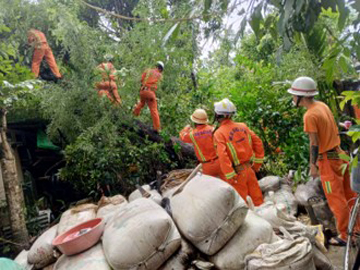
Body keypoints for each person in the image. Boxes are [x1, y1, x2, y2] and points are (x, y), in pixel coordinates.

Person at [287, 76, 357, 246]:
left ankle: (346, 236)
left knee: (336, 199)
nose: (293, 98)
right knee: (350, 194)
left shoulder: (310, 115)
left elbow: (314, 142)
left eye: (294, 95)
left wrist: (313, 165)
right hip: (340, 155)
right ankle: (357, 229)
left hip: (327, 160)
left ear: (301, 96)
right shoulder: (322, 106)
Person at [213, 98, 264, 206]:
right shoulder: (243, 126)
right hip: (250, 170)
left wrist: (230, 176)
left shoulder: (219, 133)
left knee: (243, 207)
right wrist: (257, 164)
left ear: (217, 115)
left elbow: (223, 156)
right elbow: (258, 143)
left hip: (237, 175)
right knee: (258, 202)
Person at [179, 109, 224, 179]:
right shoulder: (213, 129)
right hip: (220, 162)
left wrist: (186, 128)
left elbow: (182, 137)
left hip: (207, 166)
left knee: (208, 187)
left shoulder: (192, 134)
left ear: (194, 122)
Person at [133, 61, 164, 132]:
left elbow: (141, 80)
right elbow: (156, 85)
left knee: (141, 103)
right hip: (150, 93)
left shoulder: (148, 71)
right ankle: (157, 128)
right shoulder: (159, 75)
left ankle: (134, 116)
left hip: (143, 91)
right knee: (154, 110)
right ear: (160, 69)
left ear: (155, 66)